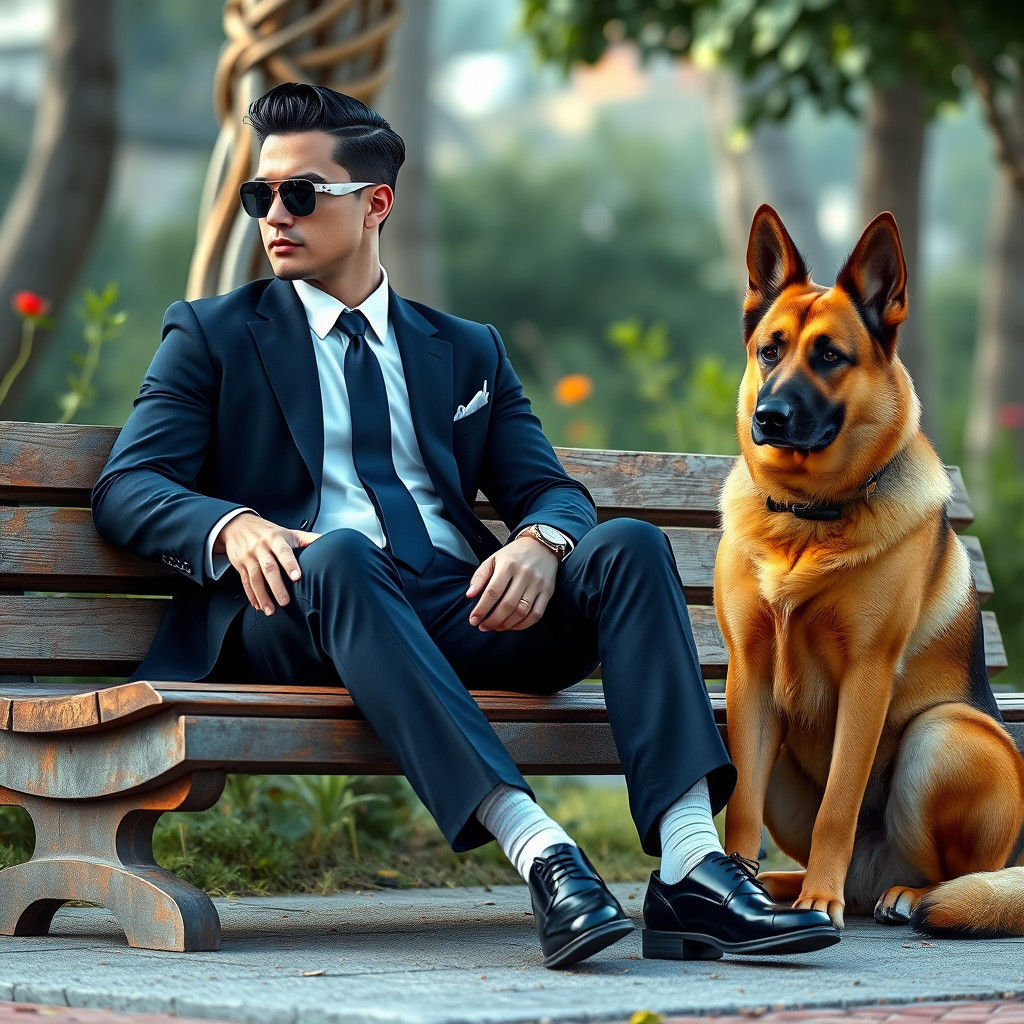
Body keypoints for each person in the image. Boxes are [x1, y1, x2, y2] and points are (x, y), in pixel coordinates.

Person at [90, 82, 836, 969]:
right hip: (301, 605)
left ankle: (691, 870)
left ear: (376, 204)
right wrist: (233, 526)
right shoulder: (213, 335)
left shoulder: (466, 348)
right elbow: (127, 486)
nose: (275, 215)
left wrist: (540, 543)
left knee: (629, 546)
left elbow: (551, 491)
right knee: (343, 556)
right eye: (262, 195)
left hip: (459, 608)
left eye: (301, 193)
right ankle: (544, 854)